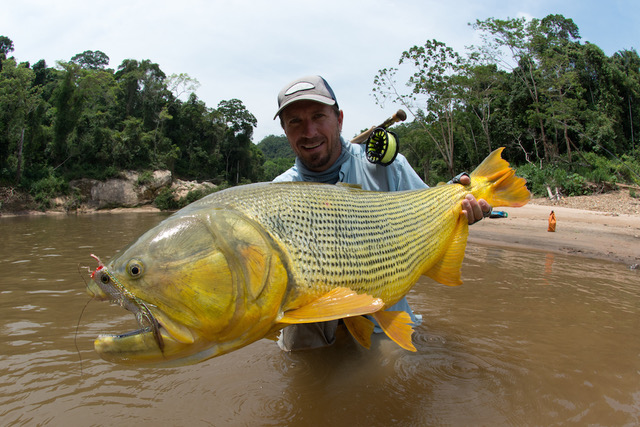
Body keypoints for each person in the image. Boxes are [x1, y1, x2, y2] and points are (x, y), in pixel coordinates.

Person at [272, 75, 492, 351]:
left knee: (392, 372)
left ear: (339, 119)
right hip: (309, 325)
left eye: (319, 116)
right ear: (285, 130)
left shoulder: (388, 168)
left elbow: (434, 212)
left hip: (382, 315)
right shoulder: (277, 194)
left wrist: (466, 203)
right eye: (295, 122)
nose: (310, 131)